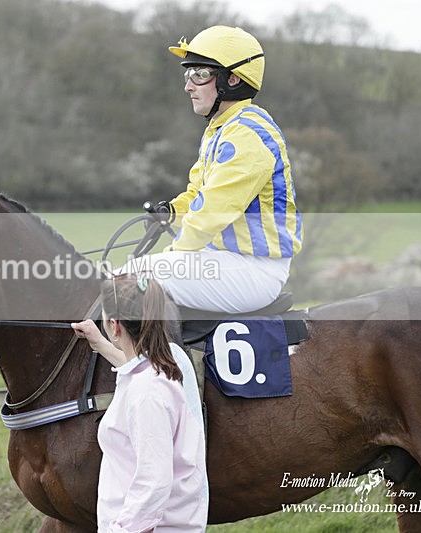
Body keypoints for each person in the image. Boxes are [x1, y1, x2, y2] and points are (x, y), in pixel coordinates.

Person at [129, 25, 303, 314]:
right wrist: (171, 212)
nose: (189, 85)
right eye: (188, 74)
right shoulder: (221, 128)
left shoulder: (247, 134)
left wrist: (173, 253)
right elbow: (199, 194)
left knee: (128, 281)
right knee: (131, 275)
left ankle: (156, 361)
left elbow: (211, 213)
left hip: (252, 269)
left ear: (232, 79)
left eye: (200, 74)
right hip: (225, 260)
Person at [71, 274, 208, 532]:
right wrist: (98, 342)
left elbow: (154, 482)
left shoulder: (147, 394)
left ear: (115, 326)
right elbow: (133, 366)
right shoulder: (153, 372)